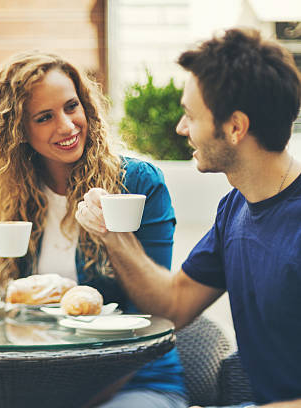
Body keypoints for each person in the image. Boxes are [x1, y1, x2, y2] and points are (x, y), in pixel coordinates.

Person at [76, 28, 301, 408]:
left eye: (190, 115)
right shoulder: (235, 209)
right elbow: (174, 304)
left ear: (234, 127)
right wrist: (112, 231)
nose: (181, 128)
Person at [0, 52, 188, 407]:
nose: (67, 126)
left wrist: (113, 237)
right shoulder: (6, 196)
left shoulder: (135, 183)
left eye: (71, 106)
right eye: (45, 117)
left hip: (134, 381)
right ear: (20, 132)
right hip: (34, 384)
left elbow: (155, 313)